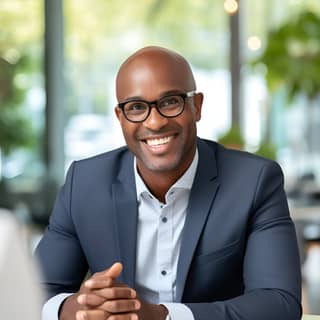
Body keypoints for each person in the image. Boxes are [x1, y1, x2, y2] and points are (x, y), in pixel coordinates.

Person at [35, 46, 302, 320]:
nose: (155, 122)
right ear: (120, 118)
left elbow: (279, 304)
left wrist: (161, 316)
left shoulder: (254, 181)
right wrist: (78, 308)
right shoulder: (85, 183)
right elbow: (35, 291)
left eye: (170, 102)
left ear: (196, 106)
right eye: (136, 107)